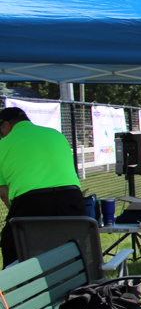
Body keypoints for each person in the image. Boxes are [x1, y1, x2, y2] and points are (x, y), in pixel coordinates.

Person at [0, 107, 86, 267]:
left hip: (31, 203)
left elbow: (3, 192)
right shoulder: (56, 134)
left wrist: (15, 214)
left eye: (1, 131)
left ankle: (21, 281)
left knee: (12, 243)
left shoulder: (3, 144)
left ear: (6, 125)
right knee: (71, 244)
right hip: (72, 199)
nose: (2, 135)